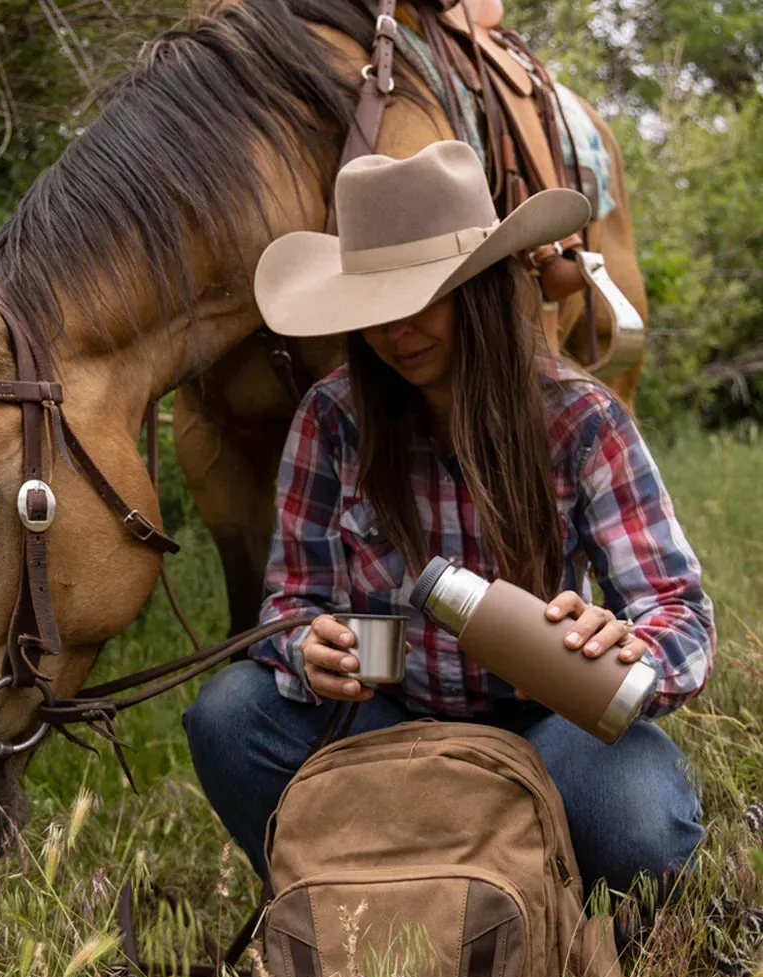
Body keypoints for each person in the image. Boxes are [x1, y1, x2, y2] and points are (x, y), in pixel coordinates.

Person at [183, 141, 715, 912]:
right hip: (384, 717)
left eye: (423, 298)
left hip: (552, 716)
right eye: (375, 310)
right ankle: (348, 911)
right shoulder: (332, 419)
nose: (396, 333)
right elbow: (290, 603)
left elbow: (680, 614)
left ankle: (520, 911)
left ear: (482, 290)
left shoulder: (580, 420)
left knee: (643, 834)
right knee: (230, 718)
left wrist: (626, 646)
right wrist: (307, 645)